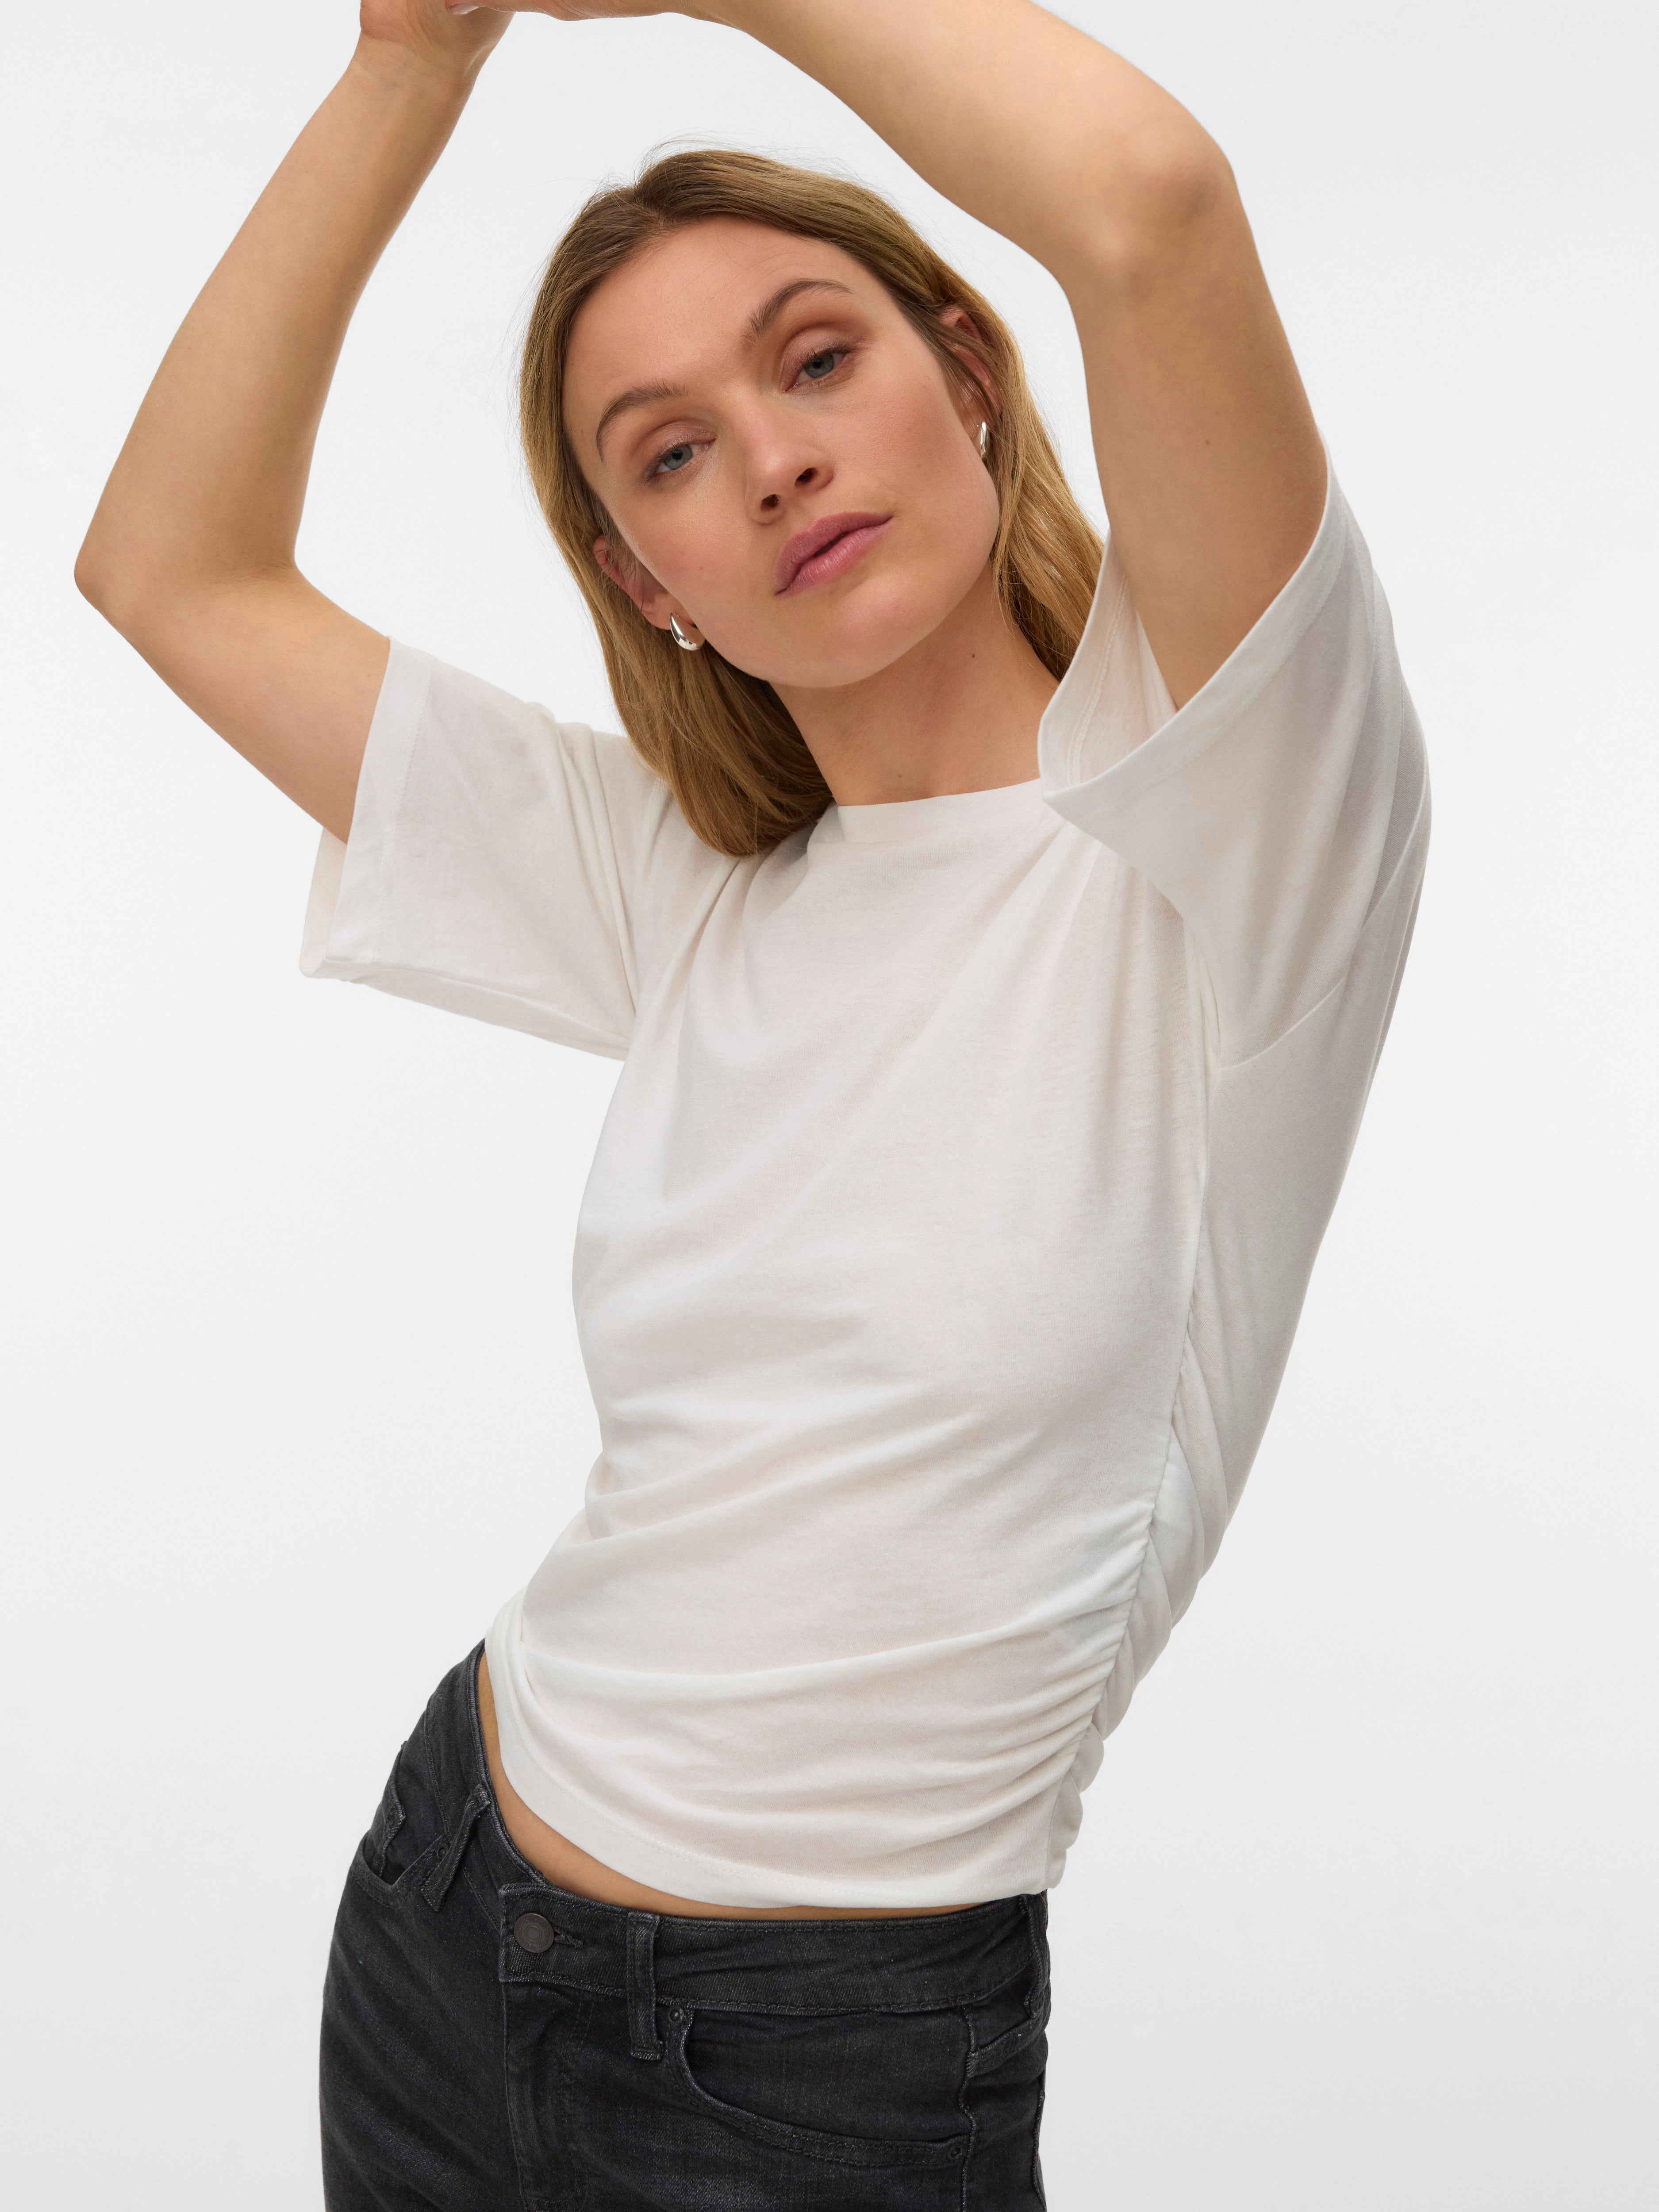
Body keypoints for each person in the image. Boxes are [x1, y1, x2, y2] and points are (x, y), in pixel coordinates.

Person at [74, 0, 1430, 2203]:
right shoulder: (686, 881)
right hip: (449, 1906)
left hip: (830, 2063)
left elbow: (1150, 204)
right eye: (669, 454)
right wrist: (411, 60)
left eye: (814, 359)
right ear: (647, 584)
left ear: (967, 373)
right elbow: (168, 570)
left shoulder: (1232, 819)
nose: (774, 461)